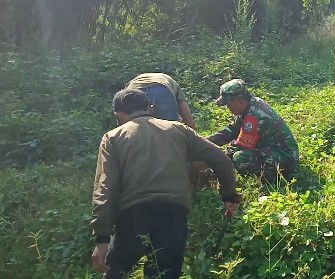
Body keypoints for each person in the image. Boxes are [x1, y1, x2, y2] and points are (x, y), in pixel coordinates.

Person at [90, 89, 240, 279]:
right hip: (173, 215)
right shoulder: (179, 129)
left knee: (114, 272)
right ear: (150, 108)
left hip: (133, 217)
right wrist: (228, 196)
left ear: (117, 115)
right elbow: (222, 161)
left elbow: (105, 189)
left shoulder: (113, 138)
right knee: (163, 274)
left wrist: (102, 239)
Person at [208, 79, 299, 182]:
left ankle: (274, 179)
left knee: (240, 158)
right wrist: (204, 143)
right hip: (272, 150)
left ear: (241, 101)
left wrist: (211, 162)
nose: (227, 107)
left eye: (228, 104)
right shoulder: (250, 105)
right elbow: (231, 130)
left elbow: (239, 147)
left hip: (285, 157)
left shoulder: (255, 116)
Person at [125, 72, 196, 129]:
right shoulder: (171, 82)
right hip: (161, 88)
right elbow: (189, 121)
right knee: (171, 130)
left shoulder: (131, 83)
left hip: (135, 90)